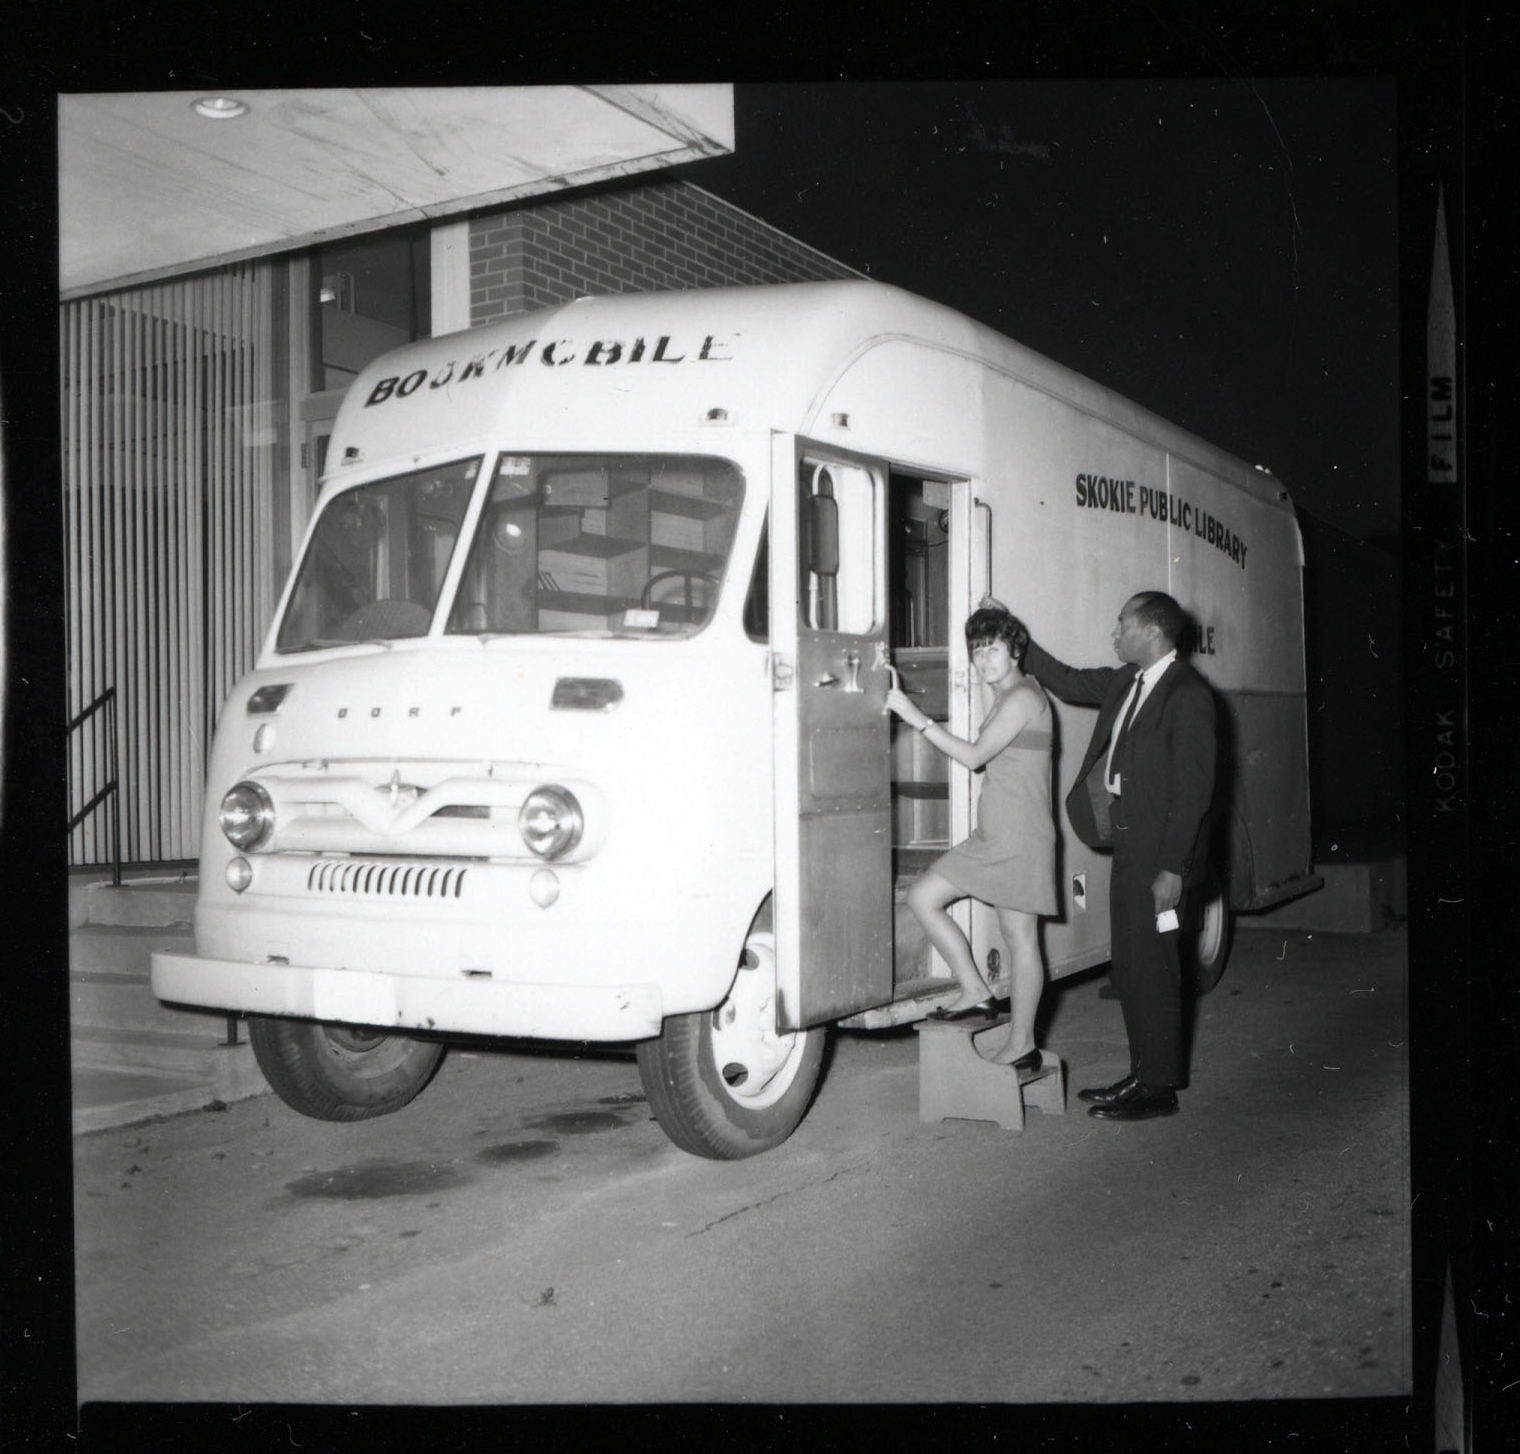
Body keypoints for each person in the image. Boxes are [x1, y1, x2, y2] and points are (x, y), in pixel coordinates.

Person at [1022, 591, 1217, 1122]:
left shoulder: (1188, 695)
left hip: (1161, 857)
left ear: (1152, 632)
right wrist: (1017, 636)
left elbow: (1194, 792)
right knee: (1131, 966)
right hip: (1130, 845)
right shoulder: (1126, 683)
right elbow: (1062, 678)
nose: (1115, 634)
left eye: (1122, 625)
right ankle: (1144, 1072)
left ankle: (1159, 1088)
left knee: (1154, 966)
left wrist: (1173, 869)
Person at [885, 604, 1057, 1078]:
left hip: (1019, 836)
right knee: (924, 898)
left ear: (1016, 649)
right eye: (977, 652)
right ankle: (975, 990)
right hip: (996, 833)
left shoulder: (1024, 697)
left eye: (994, 649)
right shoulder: (1007, 694)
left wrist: (914, 716)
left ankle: (1022, 1043)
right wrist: (990, 623)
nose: (984, 660)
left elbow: (976, 755)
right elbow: (989, 744)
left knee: (1021, 939)